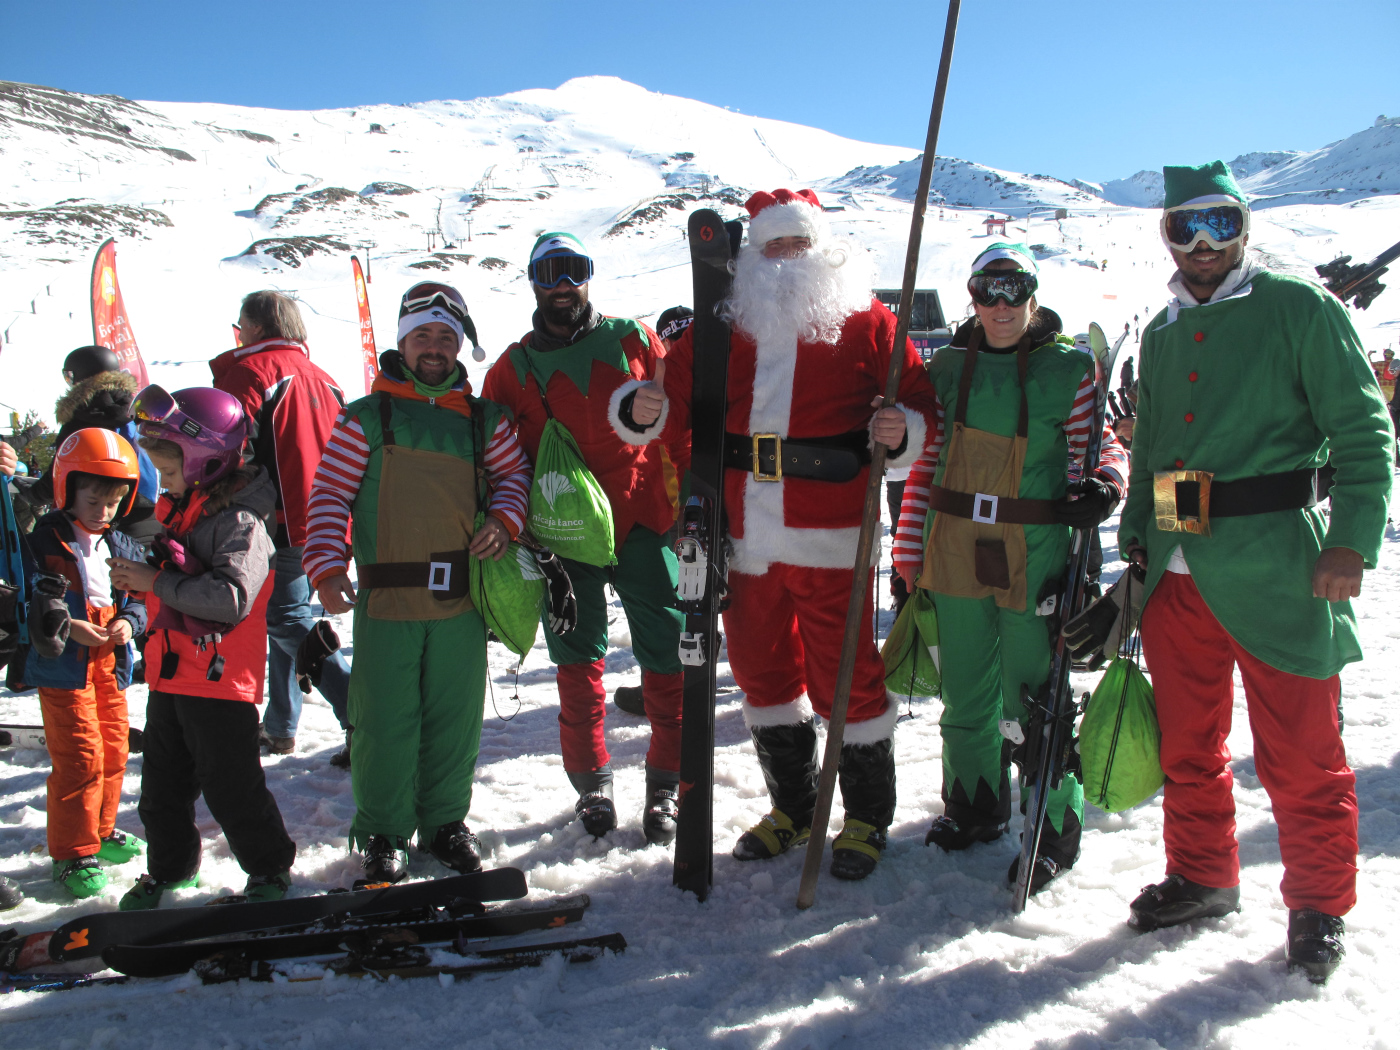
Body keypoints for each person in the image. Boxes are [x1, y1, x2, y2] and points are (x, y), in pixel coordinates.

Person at [1115, 161, 1392, 983]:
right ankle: (1203, 875)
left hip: (1282, 568)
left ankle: (1318, 905)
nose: (1203, 243)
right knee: (1188, 746)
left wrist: (1353, 539)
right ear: (1167, 233)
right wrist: (1136, 551)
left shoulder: (1300, 308)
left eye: (1220, 223)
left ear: (1245, 226)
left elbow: (1363, 431)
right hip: (1176, 572)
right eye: (1185, 226)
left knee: (1302, 753)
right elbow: (1153, 456)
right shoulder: (1161, 332)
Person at [625, 189, 939, 879]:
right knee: (763, 675)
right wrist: (641, 405)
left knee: (846, 673)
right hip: (741, 535)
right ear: (754, 255)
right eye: (773, 246)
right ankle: (794, 808)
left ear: (821, 248)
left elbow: (919, 403)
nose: (787, 258)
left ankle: (862, 817)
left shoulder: (871, 323)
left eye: (798, 243)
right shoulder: (722, 326)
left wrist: (904, 429)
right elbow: (668, 402)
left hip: (829, 527)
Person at [892, 243, 1128, 894]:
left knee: (1034, 694)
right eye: (985, 290)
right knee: (965, 688)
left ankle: (1052, 825)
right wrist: (907, 553)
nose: (999, 305)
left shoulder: (1069, 369)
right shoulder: (946, 369)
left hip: (1038, 547)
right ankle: (974, 804)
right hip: (954, 543)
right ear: (970, 296)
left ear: (1033, 292)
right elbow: (922, 468)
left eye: (1013, 288)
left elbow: (1102, 447)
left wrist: (1106, 483)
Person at [304, 283, 533, 882]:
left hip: (462, 601)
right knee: (383, 719)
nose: (434, 348)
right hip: (386, 600)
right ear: (402, 341)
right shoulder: (364, 418)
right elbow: (329, 495)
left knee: (455, 719)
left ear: (462, 346)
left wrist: (505, 523)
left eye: (446, 337)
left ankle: (445, 825)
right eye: (423, 335)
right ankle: (382, 832)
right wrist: (327, 568)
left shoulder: (486, 422)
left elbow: (515, 479)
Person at [481, 233, 687, 847]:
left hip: (647, 523)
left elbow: (680, 416)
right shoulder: (511, 368)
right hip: (562, 538)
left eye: (575, 270)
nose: (563, 284)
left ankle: (666, 784)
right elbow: (494, 458)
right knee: (577, 665)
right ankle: (593, 784)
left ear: (589, 277)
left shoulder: (633, 338)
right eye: (550, 272)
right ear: (534, 280)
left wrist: (695, 507)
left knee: (668, 657)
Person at [108, 385, 296, 909]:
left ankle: (269, 869)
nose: (163, 482)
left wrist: (155, 582)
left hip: (218, 683)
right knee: (161, 791)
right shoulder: (186, 508)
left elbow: (232, 597)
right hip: (172, 676)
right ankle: (170, 870)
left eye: (168, 471)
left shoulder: (242, 521)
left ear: (205, 461)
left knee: (232, 788)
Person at [210, 291, 351, 763]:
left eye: (240, 325)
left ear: (253, 328)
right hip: (327, 517)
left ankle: (361, 712)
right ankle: (280, 726)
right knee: (287, 620)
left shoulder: (248, 373)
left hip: (278, 519)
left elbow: (230, 447)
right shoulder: (325, 378)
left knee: (287, 619)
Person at [22, 429, 148, 898]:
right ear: (68, 489)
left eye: (112, 503)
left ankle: (101, 829)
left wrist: (129, 624)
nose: (102, 512)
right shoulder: (46, 539)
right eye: (93, 500)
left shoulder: (120, 542)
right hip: (64, 663)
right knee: (80, 756)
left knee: (114, 749)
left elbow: (139, 595)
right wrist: (69, 624)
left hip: (109, 660)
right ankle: (73, 852)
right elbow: (34, 595)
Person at [612, 304, 695, 719]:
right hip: (672, 501)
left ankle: (679, 688)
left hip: (689, 497)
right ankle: (669, 684)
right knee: (683, 594)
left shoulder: (701, 374)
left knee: (688, 595)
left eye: (688, 335)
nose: (680, 345)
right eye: (673, 338)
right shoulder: (662, 381)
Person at [24, 347, 160, 540]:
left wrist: (31, 495)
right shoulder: (137, 410)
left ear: (80, 376)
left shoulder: (84, 415)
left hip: (106, 520)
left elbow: (59, 473)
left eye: (69, 376)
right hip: (152, 514)